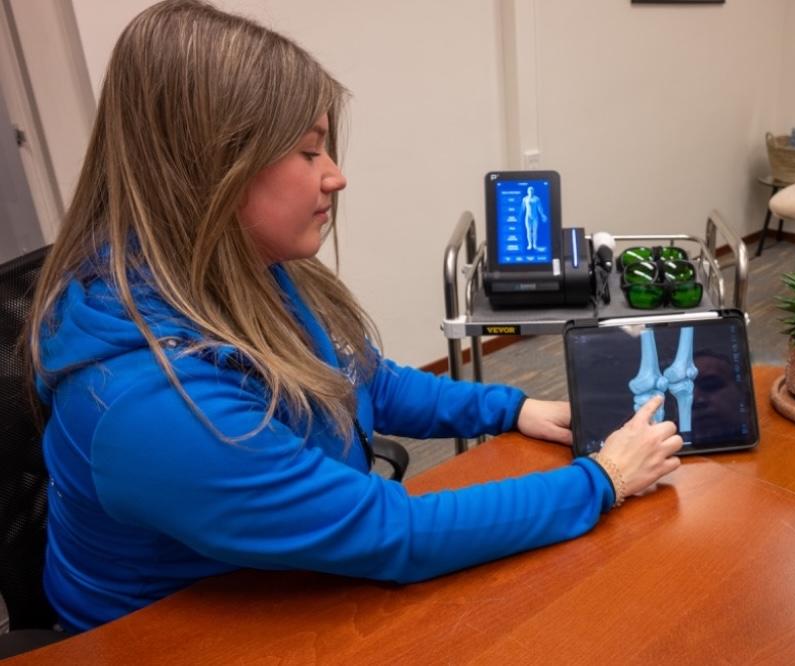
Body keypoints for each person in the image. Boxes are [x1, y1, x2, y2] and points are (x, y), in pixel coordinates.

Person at [27, 0, 683, 634]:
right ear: (210, 168)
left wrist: (510, 409)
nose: (335, 177)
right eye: (310, 152)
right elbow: (391, 534)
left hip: (270, 578)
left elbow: (365, 379)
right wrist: (603, 480)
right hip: (173, 636)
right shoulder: (146, 405)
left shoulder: (244, 270)